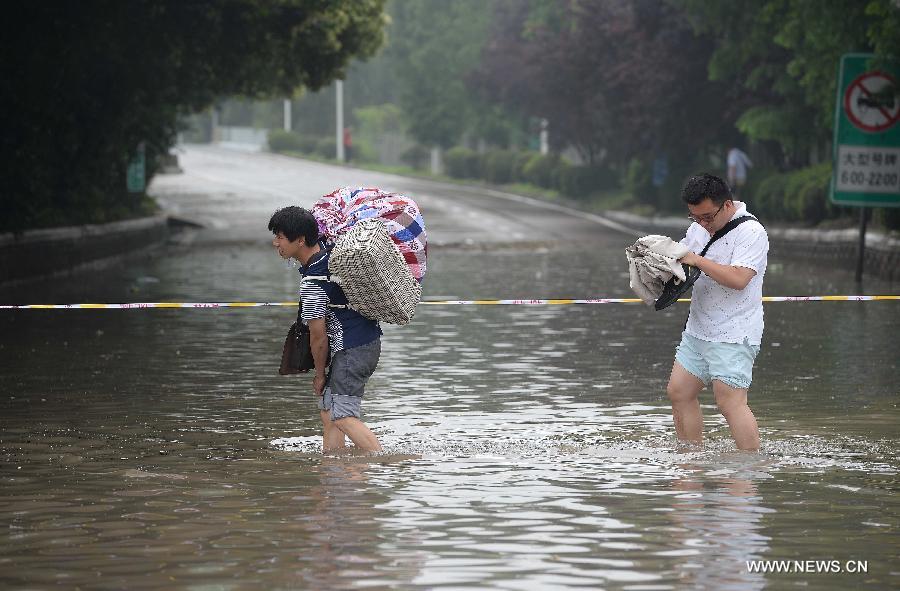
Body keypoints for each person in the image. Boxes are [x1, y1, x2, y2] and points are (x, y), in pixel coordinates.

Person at [666, 173, 768, 451]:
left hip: (735, 331)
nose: (702, 224)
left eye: (707, 217)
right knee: (679, 391)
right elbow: (687, 266)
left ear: (726, 205)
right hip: (699, 328)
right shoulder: (698, 228)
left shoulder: (751, 232)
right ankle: (691, 460)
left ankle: (748, 470)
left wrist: (696, 259)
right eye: (695, 218)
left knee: (729, 402)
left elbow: (739, 279)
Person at [269, 206, 383, 452]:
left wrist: (320, 375)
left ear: (300, 240)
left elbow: (318, 338)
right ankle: (333, 473)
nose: (275, 242)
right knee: (328, 411)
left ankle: (384, 463)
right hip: (364, 343)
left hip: (352, 350)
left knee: (343, 416)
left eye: (280, 236)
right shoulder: (331, 256)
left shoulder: (313, 283)